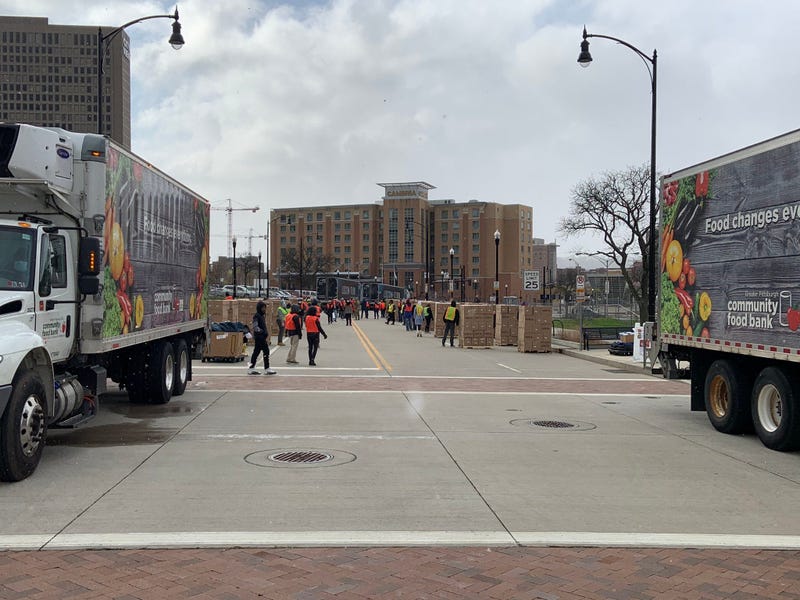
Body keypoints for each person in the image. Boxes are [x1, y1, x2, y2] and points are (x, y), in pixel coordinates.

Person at [248, 301, 276, 374]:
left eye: (265, 308)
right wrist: (262, 332)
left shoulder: (261, 316)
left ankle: (252, 368)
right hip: (260, 337)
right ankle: (266, 368)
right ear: (259, 308)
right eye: (263, 308)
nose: (264, 309)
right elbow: (255, 326)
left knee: (256, 352)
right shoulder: (257, 316)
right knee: (266, 351)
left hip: (261, 337)